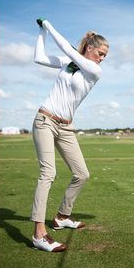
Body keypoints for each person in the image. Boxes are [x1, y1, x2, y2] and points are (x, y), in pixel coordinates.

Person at [31, 18, 109, 252]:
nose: (103, 58)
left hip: (66, 127)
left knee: (82, 174)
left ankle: (61, 216)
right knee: (48, 173)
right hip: (45, 120)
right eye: (101, 53)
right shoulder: (69, 62)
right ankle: (39, 234)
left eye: (106, 55)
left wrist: (49, 25)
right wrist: (42, 32)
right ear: (90, 47)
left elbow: (67, 48)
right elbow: (39, 58)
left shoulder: (94, 70)